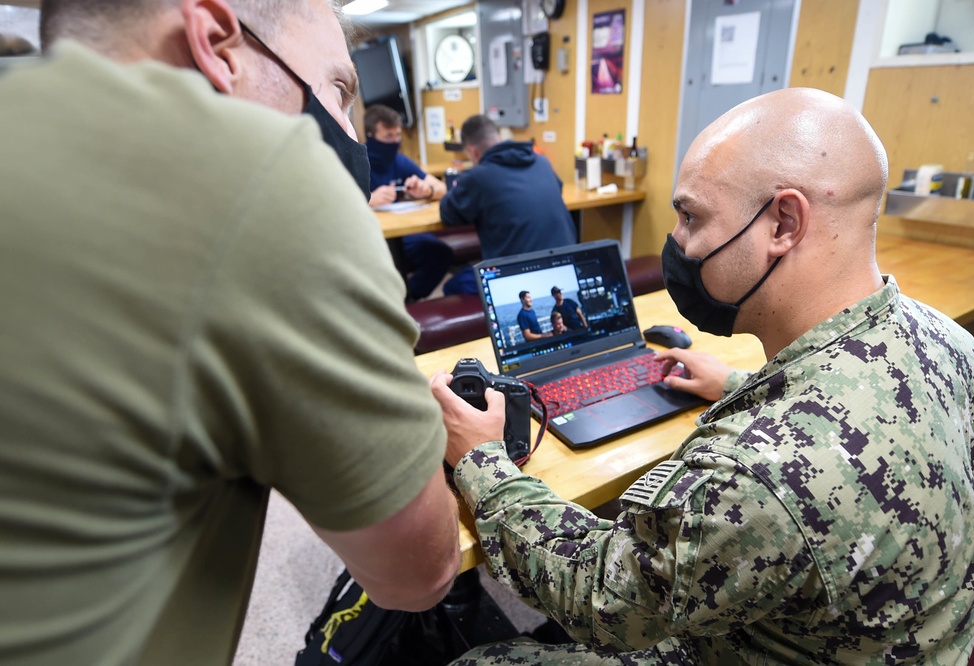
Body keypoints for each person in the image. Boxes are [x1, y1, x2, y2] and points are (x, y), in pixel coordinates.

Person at [431, 87, 974, 664]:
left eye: (690, 216)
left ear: (784, 222)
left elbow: (598, 596)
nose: (676, 241)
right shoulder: (951, 341)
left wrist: (483, 461)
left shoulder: (757, 474)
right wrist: (736, 386)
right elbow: (852, 427)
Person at [0, 2, 460, 664]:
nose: (342, 129)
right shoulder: (268, 174)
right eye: (337, 89)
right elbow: (418, 574)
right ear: (217, 42)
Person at [439, 114, 577, 295]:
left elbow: (448, 214)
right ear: (498, 137)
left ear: (472, 151)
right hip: (567, 269)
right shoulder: (542, 162)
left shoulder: (478, 177)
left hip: (518, 277)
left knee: (452, 287)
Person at [364, 104, 452, 301]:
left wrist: (426, 190)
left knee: (440, 253)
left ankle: (408, 300)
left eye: (398, 136)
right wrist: (368, 199)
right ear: (370, 135)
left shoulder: (399, 160)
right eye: (388, 137)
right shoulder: (357, 162)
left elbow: (441, 189)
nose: (395, 141)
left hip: (402, 233)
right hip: (369, 236)